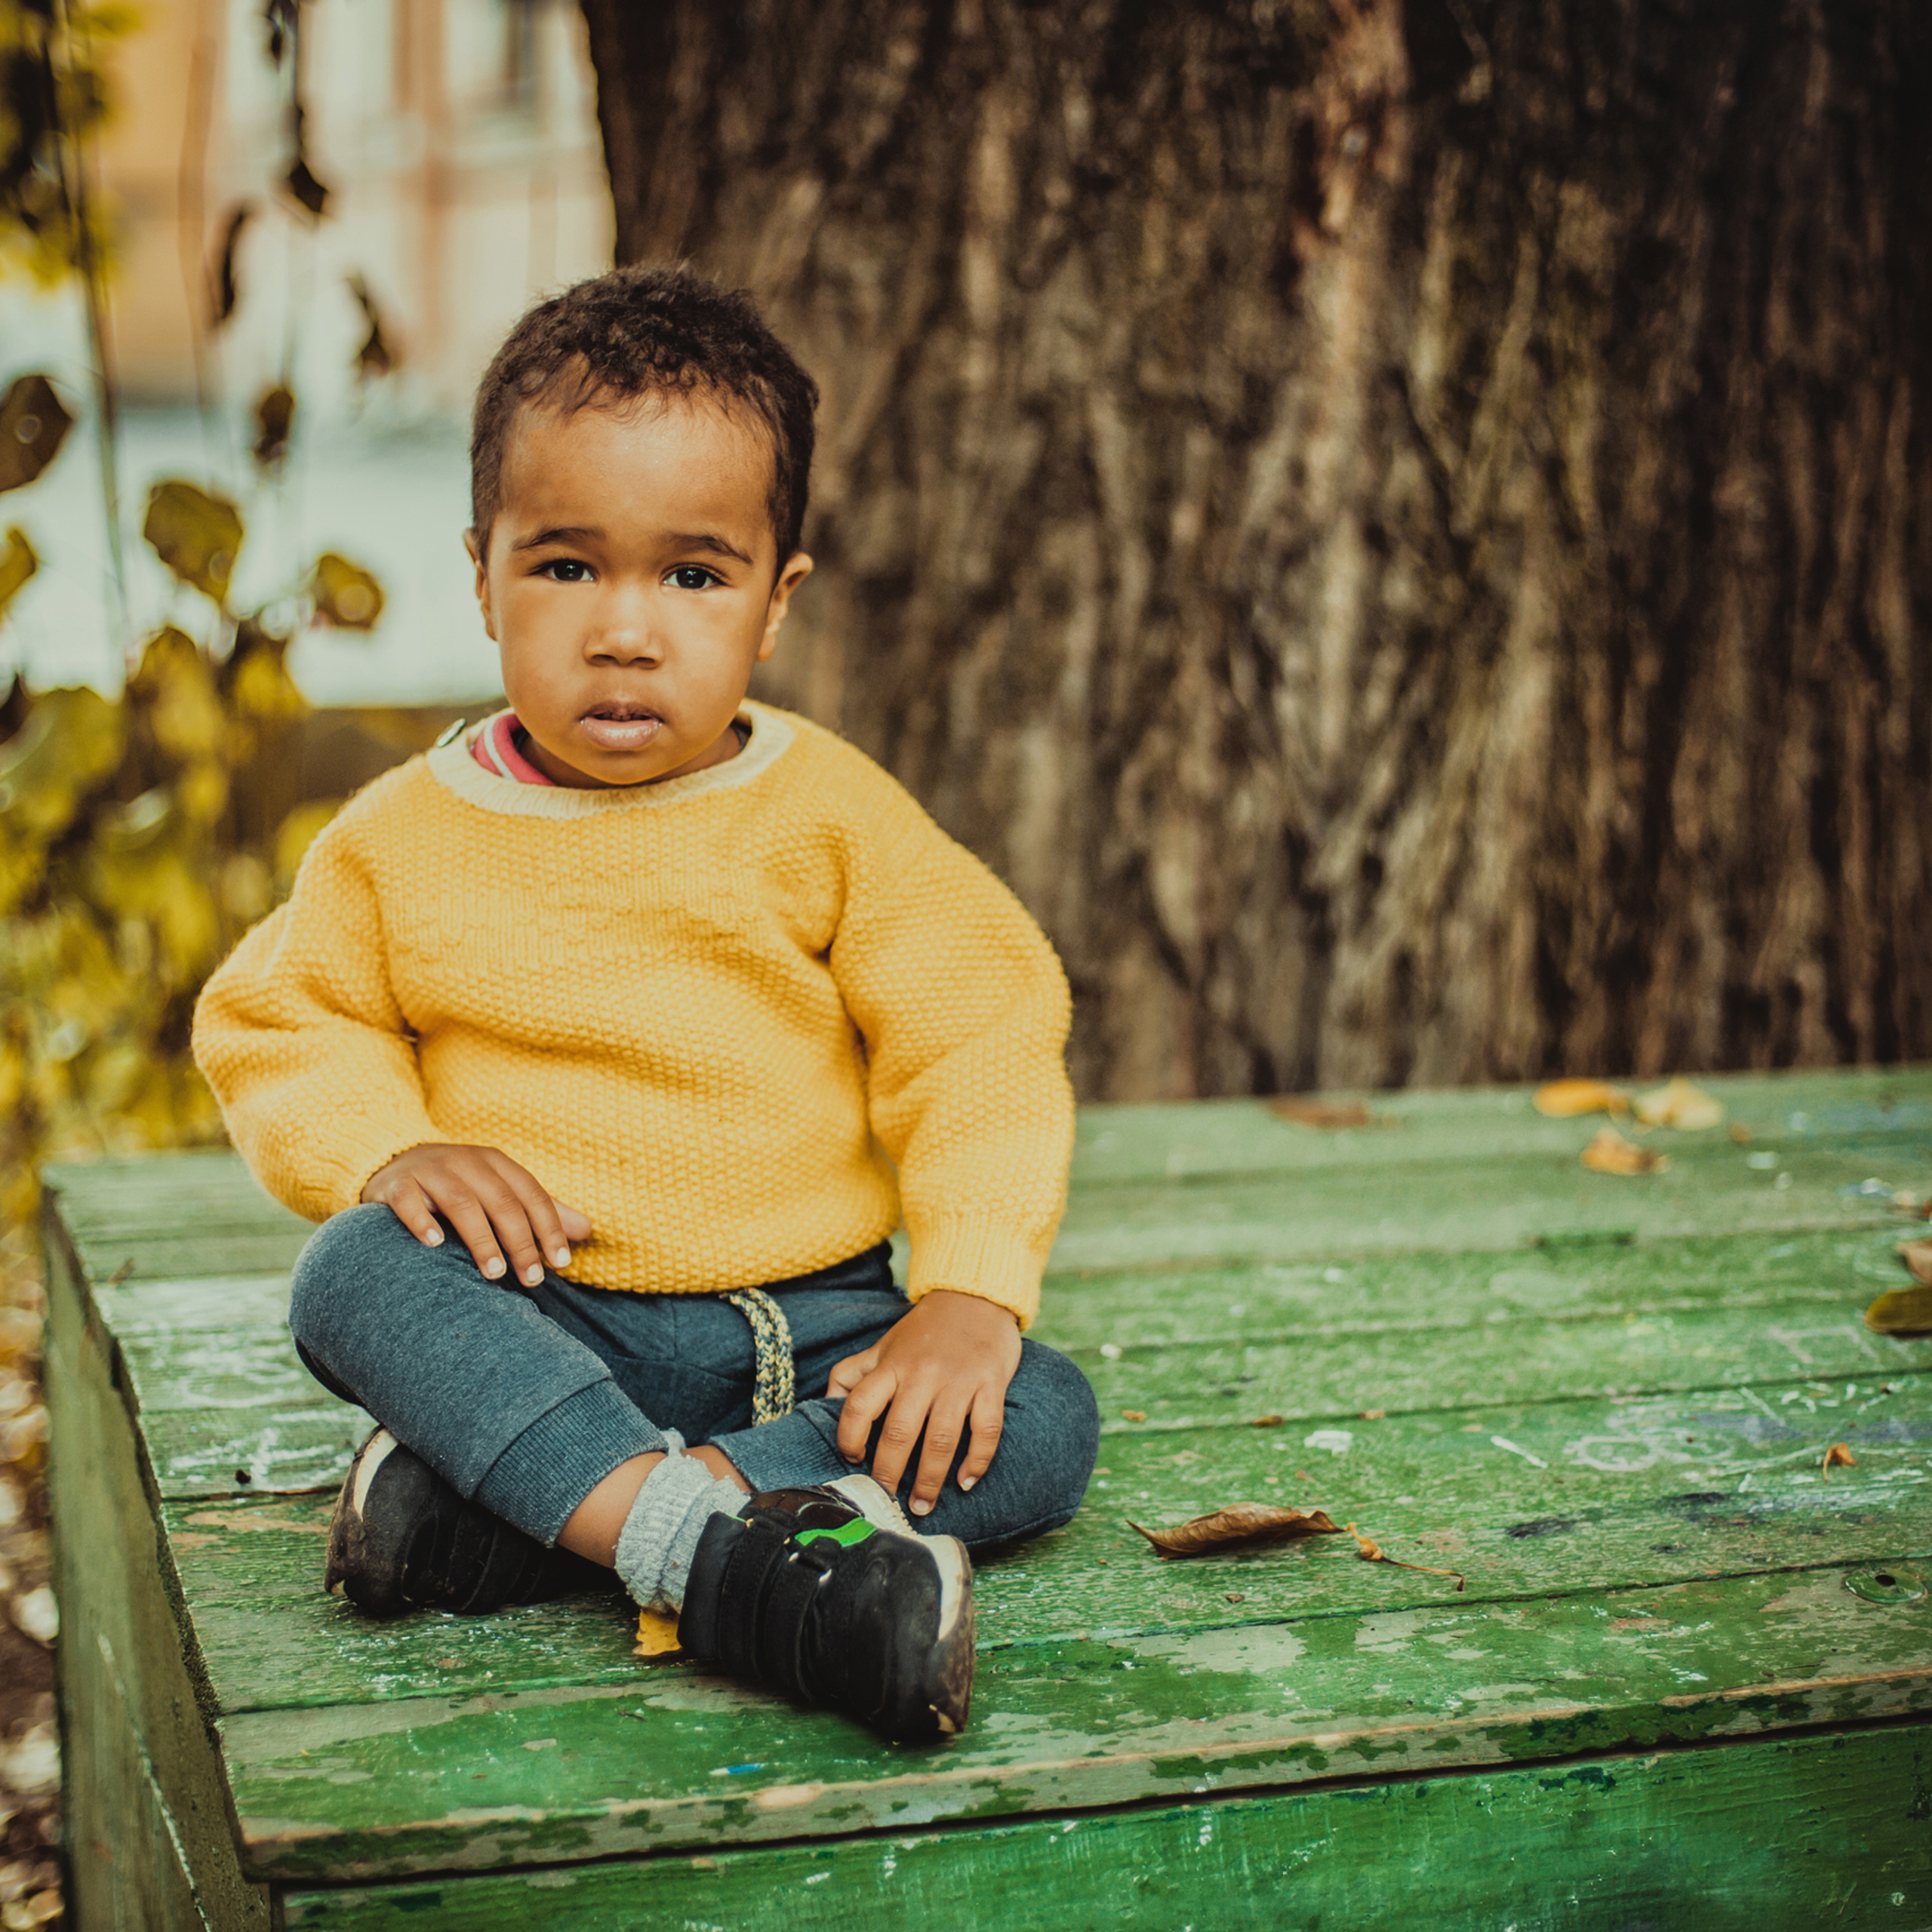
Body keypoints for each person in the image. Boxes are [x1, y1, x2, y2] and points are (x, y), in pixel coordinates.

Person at [192, 266, 1099, 1747]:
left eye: (691, 575)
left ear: (775, 596)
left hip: (823, 1335)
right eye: (563, 568)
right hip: (554, 1314)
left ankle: (543, 1511)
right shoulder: (398, 838)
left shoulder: (828, 817)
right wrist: (386, 1148)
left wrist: (966, 1294)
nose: (625, 629)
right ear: (480, 573)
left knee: (1041, 1412)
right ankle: (731, 1562)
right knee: (353, 1272)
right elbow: (278, 1017)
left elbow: (979, 1033)